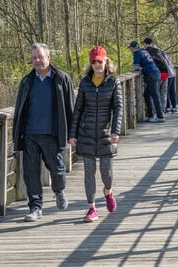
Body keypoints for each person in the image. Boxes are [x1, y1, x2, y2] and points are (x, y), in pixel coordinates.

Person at [12, 43, 75, 222]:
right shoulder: (26, 81)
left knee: (57, 169)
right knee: (30, 173)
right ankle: (35, 207)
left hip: (52, 133)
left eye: (40, 57)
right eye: (34, 58)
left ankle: (59, 190)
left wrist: (73, 133)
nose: (37, 61)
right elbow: (19, 110)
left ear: (48, 57)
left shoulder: (61, 78)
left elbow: (70, 108)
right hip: (29, 133)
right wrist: (16, 136)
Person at [69, 46, 123, 223]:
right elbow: (78, 109)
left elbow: (118, 107)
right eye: (94, 62)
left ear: (106, 62)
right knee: (89, 172)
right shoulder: (85, 83)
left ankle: (108, 191)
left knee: (106, 171)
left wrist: (116, 130)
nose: (97, 65)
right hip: (86, 133)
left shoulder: (113, 82)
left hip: (106, 133)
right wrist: (73, 134)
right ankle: (91, 208)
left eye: (100, 61)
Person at [128, 40, 165, 122]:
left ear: (135, 48)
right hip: (156, 73)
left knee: (155, 95)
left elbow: (135, 66)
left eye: (131, 48)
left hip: (151, 74)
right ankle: (150, 115)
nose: (130, 50)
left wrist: (139, 68)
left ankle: (160, 116)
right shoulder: (144, 51)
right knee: (147, 95)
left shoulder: (137, 53)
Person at [141, 37, 171, 115]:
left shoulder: (145, 52)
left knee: (154, 93)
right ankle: (163, 109)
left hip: (156, 73)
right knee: (163, 92)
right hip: (165, 73)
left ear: (146, 44)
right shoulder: (158, 50)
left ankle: (156, 111)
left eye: (144, 44)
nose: (144, 45)